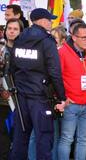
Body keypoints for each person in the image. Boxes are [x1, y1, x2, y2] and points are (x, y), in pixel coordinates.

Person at [10, 8, 66, 160]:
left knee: (20, 138)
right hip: (40, 98)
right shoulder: (47, 41)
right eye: (49, 19)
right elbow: (55, 72)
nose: (51, 22)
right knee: (44, 139)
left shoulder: (19, 38)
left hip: (21, 96)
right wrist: (62, 97)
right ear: (41, 20)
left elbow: (12, 68)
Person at [57, 23, 86, 160]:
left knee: (83, 139)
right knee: (67, 138)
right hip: (71, 104)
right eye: (84, 37)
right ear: (74, 37)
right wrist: (63, 98)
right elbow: (56, 77)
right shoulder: (62, 52)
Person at [0, 18, 24, 159]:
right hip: (3, 100)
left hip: (21, 98)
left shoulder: (26, 49)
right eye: (9, 28)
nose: (12, 31)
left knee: (18, 132)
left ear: (21, 31)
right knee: (3, 132)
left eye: (15, 29)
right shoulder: (1, 48)